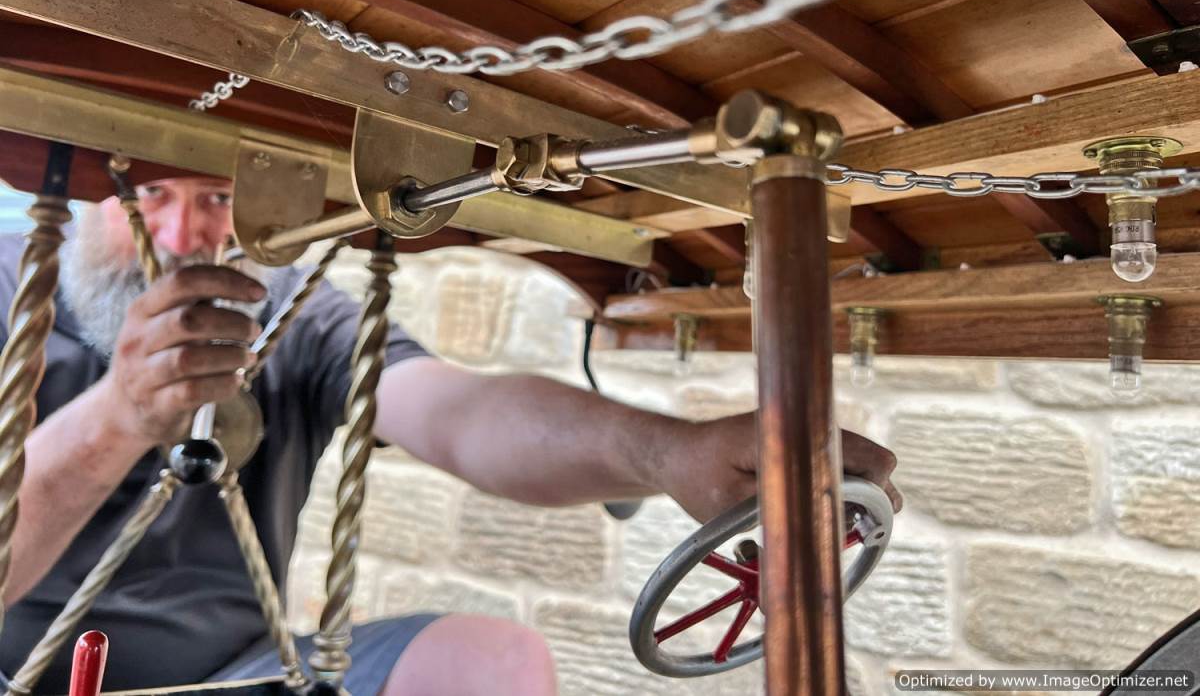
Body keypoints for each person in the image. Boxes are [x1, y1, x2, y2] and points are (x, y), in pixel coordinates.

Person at [0, 176, 902, 696]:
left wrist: (668, 453)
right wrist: (121, 413)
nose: (183, 235)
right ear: (78, 193)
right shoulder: (14, 293)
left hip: (242, 671)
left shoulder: (289, 315)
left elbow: (459, 414)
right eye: (147, 194)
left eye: (218, 197)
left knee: (493, 663)